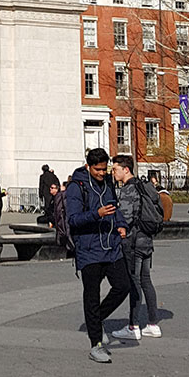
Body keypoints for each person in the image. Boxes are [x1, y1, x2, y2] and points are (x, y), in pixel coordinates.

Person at [65, 147, 130, 364]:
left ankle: (97, 319)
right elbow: (73, 219)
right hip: (88, 249)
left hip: (111, 245)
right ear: (88, 166)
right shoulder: (77, 187)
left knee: (123, 285)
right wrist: (96, 214)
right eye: (98, 170)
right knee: (91, 295)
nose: (102, 173)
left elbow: (115, 208)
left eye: (105, 169)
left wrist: (120, 225)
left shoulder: (108, 182)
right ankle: (96, 344)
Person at [109, 156, 162, 342]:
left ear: (126, 169)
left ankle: (133, 325)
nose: (113, 172)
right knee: (146, 280)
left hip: (133, 241)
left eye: (115, 168)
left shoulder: (128, 189)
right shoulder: (144, 186)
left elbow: (125, 217)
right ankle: (153, 324)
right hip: (147, 239)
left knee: (134, 282)